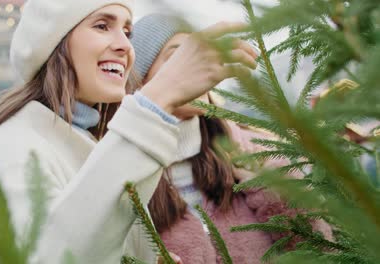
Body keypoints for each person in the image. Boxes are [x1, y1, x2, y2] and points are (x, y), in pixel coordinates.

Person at [0, 1, 258, 264]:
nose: (125, 46)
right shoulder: (13, 146)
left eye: (127, 32)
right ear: (55, 42)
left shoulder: (91, 141)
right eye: (102, 25)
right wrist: (157, 100)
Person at [131, 14, 333, 264]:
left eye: (198, 56)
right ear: (141, 83)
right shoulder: (130, 183)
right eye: (177, 59)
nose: (198, 68)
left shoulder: (259, 154)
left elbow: (321, 250)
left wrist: (270, 187)